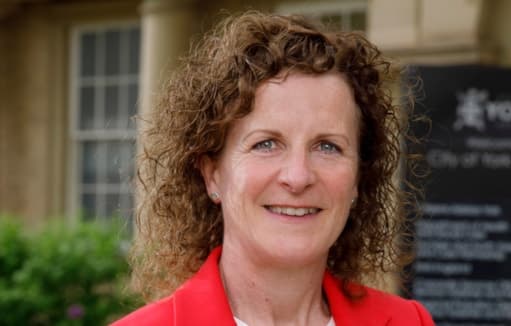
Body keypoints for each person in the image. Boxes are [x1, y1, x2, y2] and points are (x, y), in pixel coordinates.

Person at [112, 10, 433, 326]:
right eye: (266, 144)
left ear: (357, 181)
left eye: (327, 146)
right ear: (213, 175)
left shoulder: (408, 321)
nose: (297, 177)